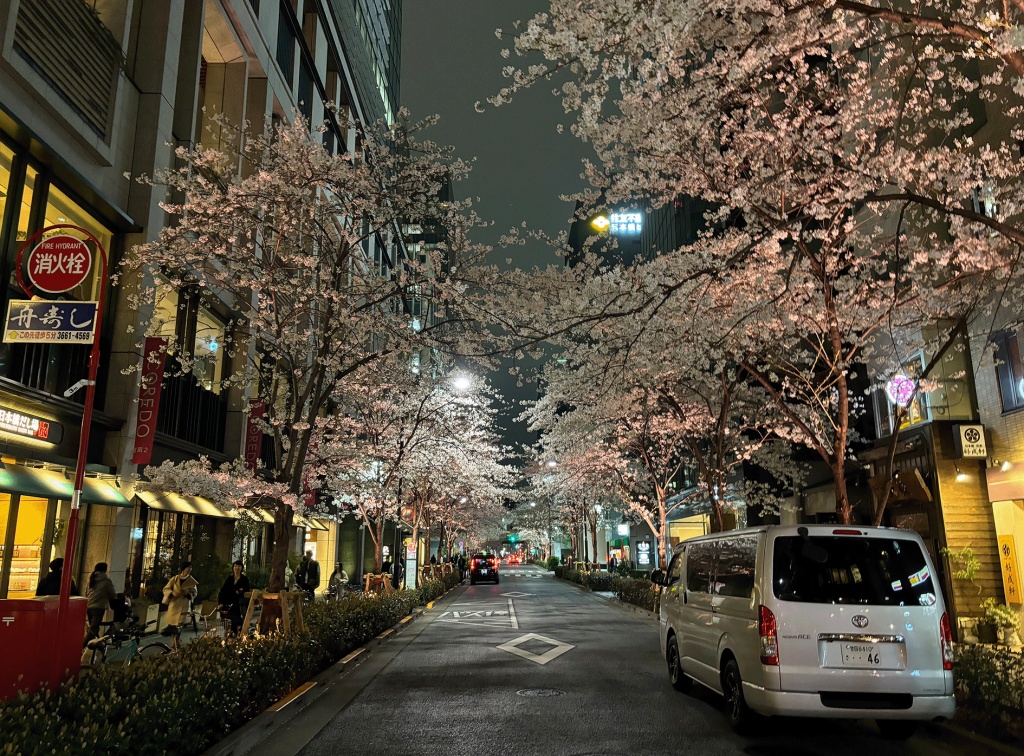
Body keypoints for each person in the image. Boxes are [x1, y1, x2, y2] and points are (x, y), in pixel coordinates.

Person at [162, 562, 198, 650]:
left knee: (179, 626)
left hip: (184, 606)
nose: (189, 570)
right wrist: (171, 593)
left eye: (190, 568)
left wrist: (188, 594)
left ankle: (175, 644)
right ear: (183, 568)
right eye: (188, 568)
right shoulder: (175, 579)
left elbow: (195, 593)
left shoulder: (191, 581)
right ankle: (175, 644)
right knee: (172, 625)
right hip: (174, 605)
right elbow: (166, 589)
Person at [85, 562, 116, 644]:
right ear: (105, 570)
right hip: (98, 608)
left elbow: (86, 592)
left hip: (89, 606)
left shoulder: (92, 579)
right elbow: (112, 594)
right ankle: (80, 648)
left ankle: (97, 647)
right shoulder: (107, 581)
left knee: (94, 628)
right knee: (93, 631)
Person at [218, 560, 250, 636]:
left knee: (237, 620)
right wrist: (221, 602)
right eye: (235, 566)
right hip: (228, 603)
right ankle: (229, 634)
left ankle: (237, 634)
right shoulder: (230, 579)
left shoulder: (244, 579)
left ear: (241, 568)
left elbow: (247, 591)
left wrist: (241, 591)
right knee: (227, 620)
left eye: (239, 566)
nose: (237, 568)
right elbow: (223, 590)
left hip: (238, 604)